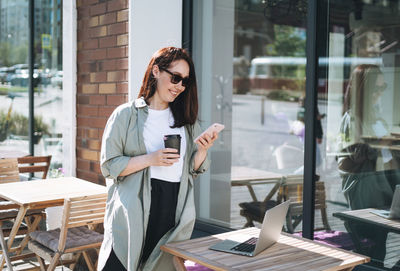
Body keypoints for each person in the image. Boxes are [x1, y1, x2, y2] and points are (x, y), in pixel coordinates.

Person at [98, 47, 218, 271]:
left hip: (172, 206)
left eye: (185, 82)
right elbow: (109, 166)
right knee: (119, 264)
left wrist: (202, 151)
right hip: (134, 205)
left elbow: (190, 169)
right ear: (155, 71)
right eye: (175, 78)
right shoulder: (125, 115)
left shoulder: (187, 122)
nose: (180, 87)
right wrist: (150, 159)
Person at [337, 64, 398, 266]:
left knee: (380, 247)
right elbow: (344, 163)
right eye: (377, 88)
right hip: (368, 195)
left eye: (384, 87)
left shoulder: (377, 119)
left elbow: (389, 159)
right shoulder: (352, 119)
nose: (380, 93)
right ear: (364, 88)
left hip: (385, 192)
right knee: (374, 249)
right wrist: (368, 152)